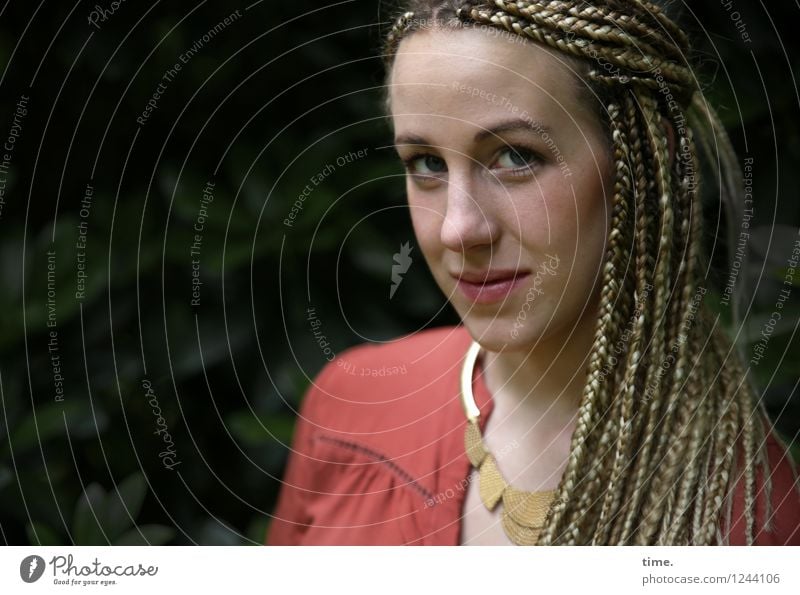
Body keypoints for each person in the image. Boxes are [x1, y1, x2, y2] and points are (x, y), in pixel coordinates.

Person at [267, 0, 800, 545]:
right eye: (426, 163)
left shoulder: (749, 525)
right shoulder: (353, 406)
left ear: (645, 160)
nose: (459, 229)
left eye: (515, 157)